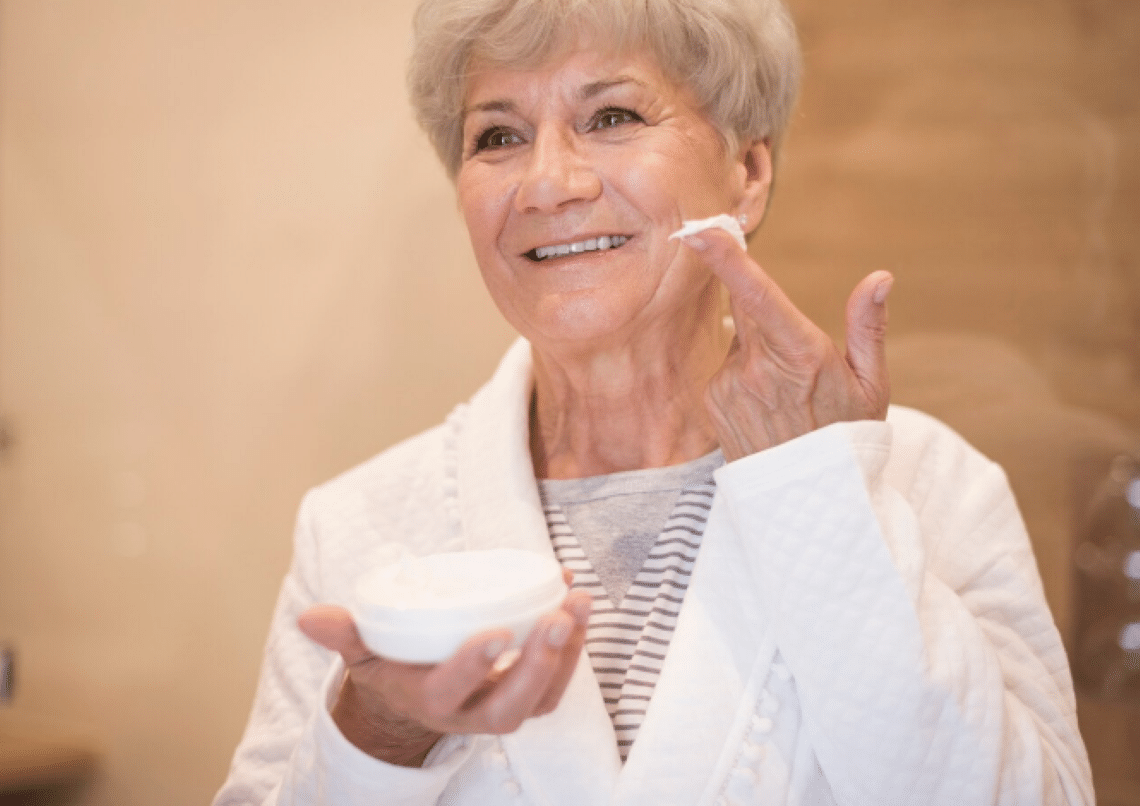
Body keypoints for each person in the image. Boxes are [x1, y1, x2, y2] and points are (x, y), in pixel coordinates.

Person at [214, 0, 1093, 802]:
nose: (548, 182)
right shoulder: (361, 528)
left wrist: (819, 500)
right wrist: (376, 731)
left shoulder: (930, 483)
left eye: (613, 116)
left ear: (747, 173)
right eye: (496, 136)